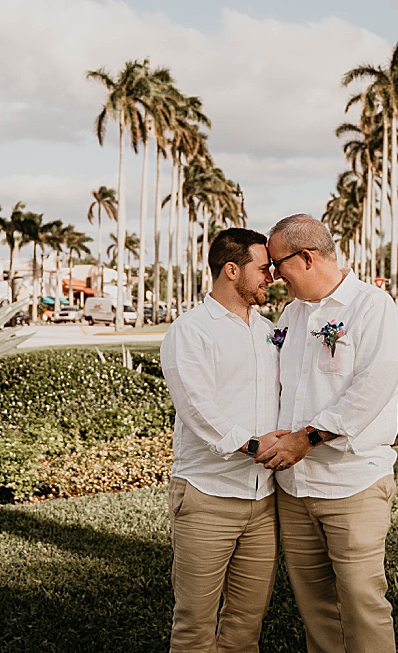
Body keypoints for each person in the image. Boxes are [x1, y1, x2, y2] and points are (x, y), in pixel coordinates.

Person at [256, 213, 398, 653]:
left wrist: (306, 438)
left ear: (304, 258)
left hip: (352, 483)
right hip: (295, 488)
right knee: (316, 607)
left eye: (276, 264)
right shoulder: (291, 313)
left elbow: (372, 387)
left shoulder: (372, 306)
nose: (272, 275)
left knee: (362, 603)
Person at [159, 227, 285, 653]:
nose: (273, 277)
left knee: (246, 627)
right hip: (207, 498)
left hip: (264, 502)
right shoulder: (190, 331)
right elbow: (197, 409)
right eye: (264, 268)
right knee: (195, 625)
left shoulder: (268, 331)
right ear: (232, 270)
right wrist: (254, 447)